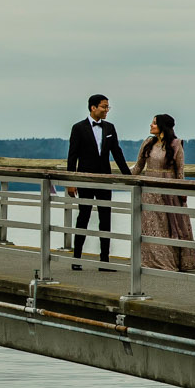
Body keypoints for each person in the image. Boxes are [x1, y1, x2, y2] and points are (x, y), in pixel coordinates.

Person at [64, 94, 129, 269]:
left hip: (105, 180)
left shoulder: (110, 128)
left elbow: (117, 152)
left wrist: (128, 177)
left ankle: (104, 260)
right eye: (104, 107)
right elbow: (72, 156)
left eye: (108, 107)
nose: (107, 110)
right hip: (85, 179)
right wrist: (71, 181)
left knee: (105, 219)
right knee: (83, 217)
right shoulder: (78, 128)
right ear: (93, 108)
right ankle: (77, 259)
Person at [134, 114, 195, 272]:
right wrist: (119, 175)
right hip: (148, 192)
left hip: (167, 192)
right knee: (149, 226)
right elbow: (137, 168)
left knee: (167, 227)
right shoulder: (148, 143)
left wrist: (181, 195)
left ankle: (167, 262)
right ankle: (148, 261)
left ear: (162, 126)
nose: (150, 125)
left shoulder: (176, 145)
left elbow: (180, 172)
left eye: (154, 123)